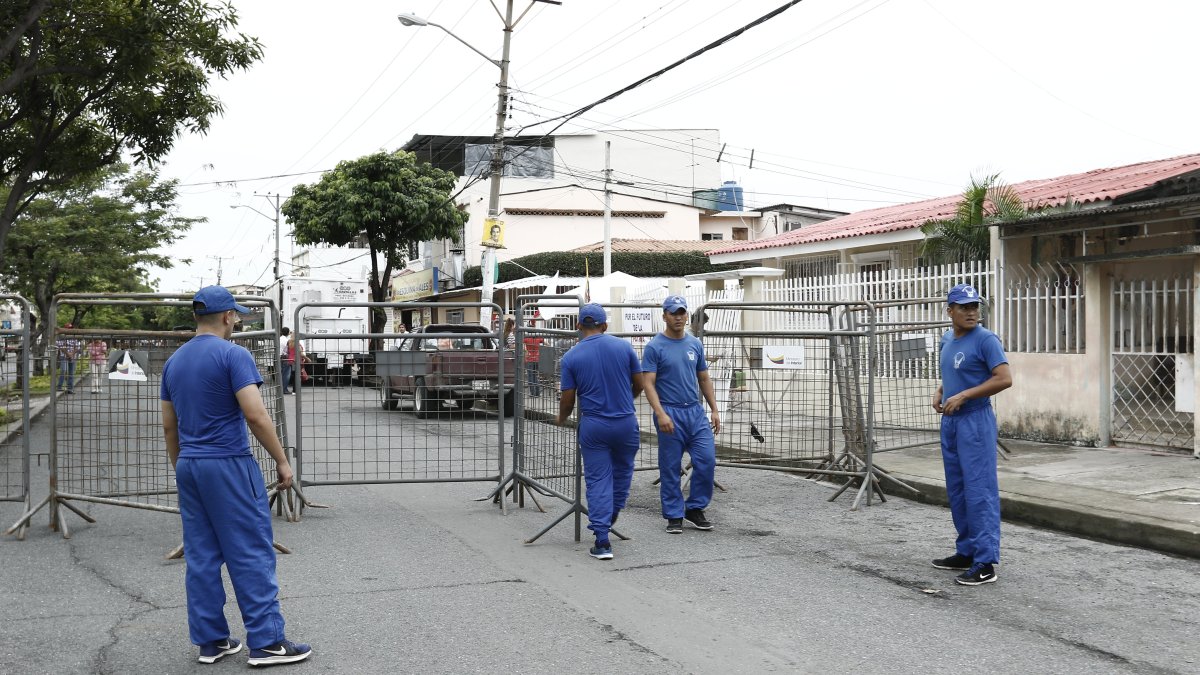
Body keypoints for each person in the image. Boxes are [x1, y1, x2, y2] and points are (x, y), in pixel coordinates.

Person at [160, 286, 311, 666]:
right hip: (227, 462)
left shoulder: (173, 362)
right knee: (250, 551)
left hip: (190, 465)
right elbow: (256, 415)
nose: (238, 320)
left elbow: (168, 427)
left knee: (202, 555)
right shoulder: (234, 355)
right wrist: (282, 461)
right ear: (228, 316)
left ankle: (212, 641)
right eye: (237, 315)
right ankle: (267, 643)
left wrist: (183, 465)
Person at [930, 283, 1012, 587]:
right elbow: (951, 371)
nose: (971, 312)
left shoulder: (986, 339)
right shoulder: (946, 339)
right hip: (951, 422)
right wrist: (942, 390)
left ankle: (985, 560)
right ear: (949, 310)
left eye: (974, 306)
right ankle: (966, 550)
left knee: (980, 490)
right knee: (958, 489)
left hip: (975, 420)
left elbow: (1004, 379)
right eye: (963, 307)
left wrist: (964, 395)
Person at [556, 303, 644, 560]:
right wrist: (626, 400)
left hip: (594, 425)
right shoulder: (624, 347)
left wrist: (562, 418)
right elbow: (640, 383)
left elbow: (568, 399)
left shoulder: (571, 357)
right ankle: (611, 513)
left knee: (598, 479)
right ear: (604, 326)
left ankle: (603, 539)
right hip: (626, 422)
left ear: (578, 327)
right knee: (622, 473)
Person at [641, 295, 721, 534]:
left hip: (694, 412)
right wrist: (660, 413)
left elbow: (703, 377)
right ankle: (674, 514)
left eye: (682, 313)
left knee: (706, 460)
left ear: (687, 316)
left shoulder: (695, 344)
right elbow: (648, 383)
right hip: (669, 411)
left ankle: (695, 508)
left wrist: (714, 409)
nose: (678, 317)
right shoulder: (655, 346)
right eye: (673, 313)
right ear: (664, 316)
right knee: (670, 465)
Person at [55, 324, 80, 394]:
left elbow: (77, 347)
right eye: (68, 328)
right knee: (64, 370)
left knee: (71, 373)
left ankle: (70, 388)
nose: (70, 330)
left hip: (72, 356)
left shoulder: (74, 337)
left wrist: (72, 354)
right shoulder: (61, 337)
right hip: (64, 356)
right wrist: (67, 354)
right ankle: (59, 386)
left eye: (71, 328)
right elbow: (60, 346)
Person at [522, 318, 544, 397]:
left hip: (529, 359)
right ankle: (538, 393)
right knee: (535, 376)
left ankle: (533, 393)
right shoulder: (538, 338)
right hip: (537, 359)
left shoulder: (526, 339)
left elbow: (522, 346)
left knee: (530, 377)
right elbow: (546, 343)